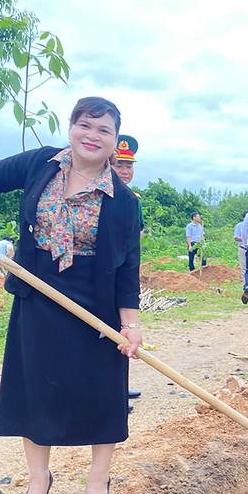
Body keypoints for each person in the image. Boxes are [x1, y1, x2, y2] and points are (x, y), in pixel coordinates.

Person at [0, 96, 141, 494]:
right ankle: (38, 478)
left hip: (95, 302)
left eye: (104, 130)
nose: (93, 135)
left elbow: (128, 267)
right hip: (38, 291)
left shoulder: (124, 200)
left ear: (115, 141)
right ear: (72, 128)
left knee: (103, 391)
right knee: (36, 387)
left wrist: (130, 324)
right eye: (86, 125)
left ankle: (98, 478)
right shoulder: (42, 163)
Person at [111, 134, 143, 410]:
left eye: (128, 166)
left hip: (122, 276)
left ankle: (119, 390)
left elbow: (136, 240)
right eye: (119, 164)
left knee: (125, 335)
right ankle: (111, 393)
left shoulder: (133, 200)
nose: (124, 171)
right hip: (101, 276)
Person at [234, 210, 248, 278]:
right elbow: (236, 237)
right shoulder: (239, 226)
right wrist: (245, 238)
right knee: (243, 266)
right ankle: (246, 284)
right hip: (242, 248)